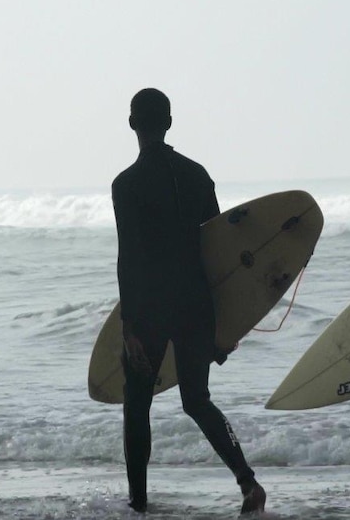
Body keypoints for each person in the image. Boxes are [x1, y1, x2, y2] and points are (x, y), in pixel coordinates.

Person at [111, 88, 266, 514]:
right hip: (195, 302)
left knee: (137, 403)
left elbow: (129, 257)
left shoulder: (126, 185)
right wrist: (227, 321)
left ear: (131, 124)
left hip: (151, 309)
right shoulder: (197, 174)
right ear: (169, 122)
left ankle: (138, 503)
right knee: (197, 400)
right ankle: (247, 481)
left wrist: (129, 328)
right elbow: (219, 252)